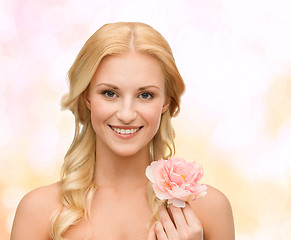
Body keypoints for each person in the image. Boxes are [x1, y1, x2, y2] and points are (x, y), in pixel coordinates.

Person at [10, 22, 234, 240]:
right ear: (87, 96)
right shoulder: (38, 212)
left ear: (166, 101)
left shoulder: (210, 211)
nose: (126, 115)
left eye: (145, 95)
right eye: (109, 93)